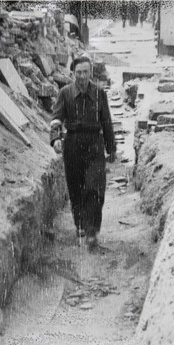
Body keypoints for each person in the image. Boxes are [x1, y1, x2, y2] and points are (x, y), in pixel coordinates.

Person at [49, 55, 116, 251]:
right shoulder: (65, 93)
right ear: (73, 73)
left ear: (91, 73)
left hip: (94, 144)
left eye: (86, 72)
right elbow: (56, 119)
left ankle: (92, 231)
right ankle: (80, 224)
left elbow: (107, 122)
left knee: (94, 188)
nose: (82, 76)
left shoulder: (99, 94)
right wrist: (55, 139)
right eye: (78, 72)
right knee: (76, 188)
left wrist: (111, 148)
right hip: (73, 146)